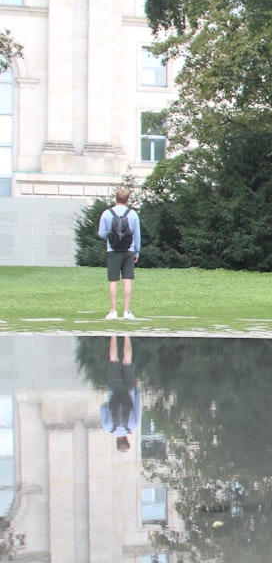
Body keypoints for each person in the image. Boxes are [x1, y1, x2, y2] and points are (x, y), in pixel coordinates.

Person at [98, 188, 141, 320]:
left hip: (113, 250)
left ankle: (113, 311)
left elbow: (102, 233)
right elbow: (137, 234)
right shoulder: (133, 214)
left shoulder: (106, 213)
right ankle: (127, 311)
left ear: (115, 198)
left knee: (113, 281)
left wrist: (112, 237)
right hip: (129, 250)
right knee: (127, 280)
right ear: (127, 200)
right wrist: (137, 252)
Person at [100, 335, 141, 452]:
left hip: (129, 389)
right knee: (114, 360)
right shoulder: (108, 428)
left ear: (127, 439)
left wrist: (137, 387)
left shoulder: (133, 426)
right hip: (114, 389)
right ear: (117, 441)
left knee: (127, 361)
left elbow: (137, 404)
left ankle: (126, 335)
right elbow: (103, 408)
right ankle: (113, 334)